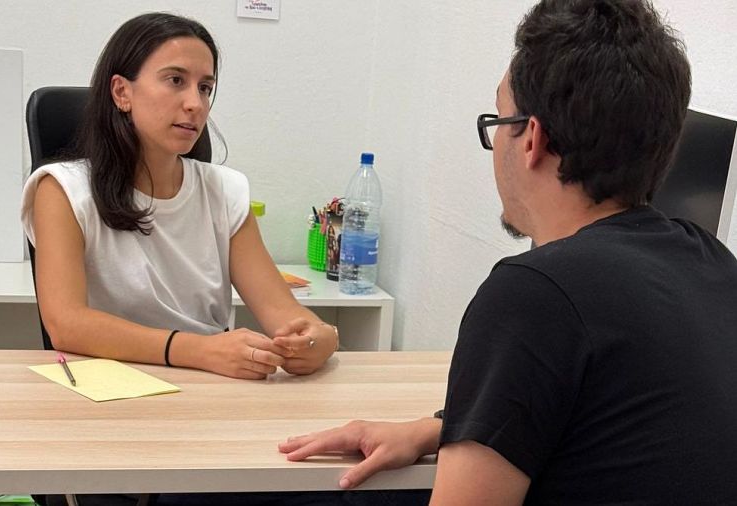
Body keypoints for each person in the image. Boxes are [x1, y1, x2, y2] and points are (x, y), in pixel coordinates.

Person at [280, 0, 737, 504]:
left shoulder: (535, 293)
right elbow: (613, 423)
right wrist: (442, 428)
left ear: (531, 138)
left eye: (497, 121)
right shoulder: (711, 261)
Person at [21, 12, 338, 382]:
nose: (196, 104)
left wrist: (319, 339)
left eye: (205, 87)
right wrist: (199, 350)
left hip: (210, 386)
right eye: (175, 81)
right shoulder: (62, 189)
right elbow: (67, 323)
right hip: (106, 388)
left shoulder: (225, 191)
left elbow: (286, 316)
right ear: (122, 92)